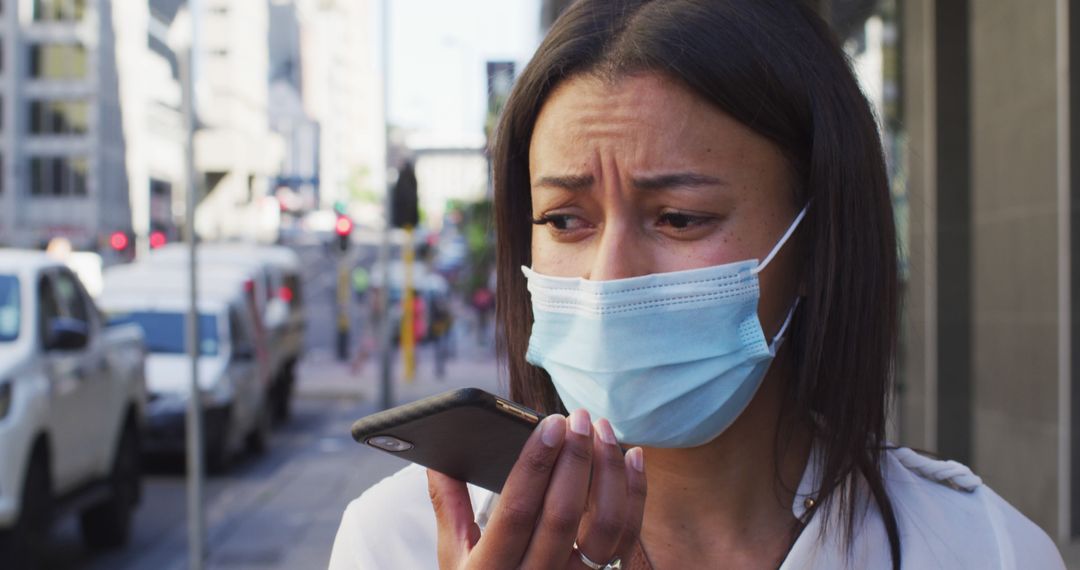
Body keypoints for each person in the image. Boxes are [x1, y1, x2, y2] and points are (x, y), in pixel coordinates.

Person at [329, 1, 1066, 568]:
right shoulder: (402, 543)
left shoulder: (981, 548)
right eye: (563, 220)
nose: (609, 278)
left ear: (815, 240)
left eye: (680, 218)